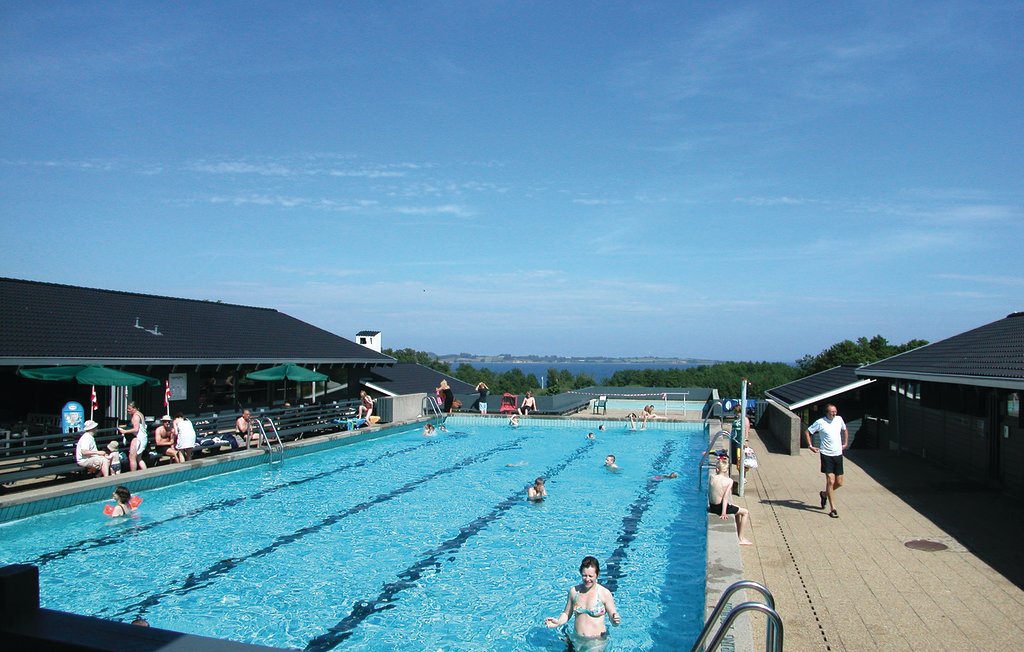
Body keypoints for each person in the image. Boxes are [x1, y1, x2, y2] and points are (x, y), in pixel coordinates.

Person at [545, 556, 621, 647]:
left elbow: (613, 620)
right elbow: (566, 614)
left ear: (598, 574)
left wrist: (615, 621)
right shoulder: (574, 592)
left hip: (596, 642)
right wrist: (558, 622)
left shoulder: (604, 594)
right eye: (584, 575)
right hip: (576, 639)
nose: (587, 579)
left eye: (590, 576)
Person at [805, 403, 849, 518]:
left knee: (839, 482)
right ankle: (833, 509)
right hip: (826, 454)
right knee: (830, 480)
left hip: (838, 454)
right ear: (827, 413)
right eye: (832, 412)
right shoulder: (820, 422)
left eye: (835, 411)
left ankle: (824, 494)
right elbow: (808, 432)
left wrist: (845, 443)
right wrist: (810, 445)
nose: (834, 414)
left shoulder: (839, 419)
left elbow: (845, 430)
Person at [708, 458, 753, 545]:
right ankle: (741, 538)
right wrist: (723, 513)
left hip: (713, 506)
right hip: (720, 508)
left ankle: (738, 534)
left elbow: (710, 492)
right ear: (726, 471)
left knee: (736, 511)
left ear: (717, 469)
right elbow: (725, 498)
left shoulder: (712, 477)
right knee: (745, 512)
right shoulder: (729, 481)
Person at [118, 402, 148, 472]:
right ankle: (146, 473)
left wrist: (125, 431)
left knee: (132, 457)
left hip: (138, 439)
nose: (128, 410)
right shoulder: (140, 414)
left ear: (134, 408)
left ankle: (133, 475)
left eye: (129, 409)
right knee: (139, 458)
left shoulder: (135, 416)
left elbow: (136, 429)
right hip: (143, 438)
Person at [730, 405, 751, 474]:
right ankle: (741, 475)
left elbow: (747, 430)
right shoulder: (736, 419)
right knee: (736, 461)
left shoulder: (744, 419)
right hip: (734, 441)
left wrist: (746, 440)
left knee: (741, 460)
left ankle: (743, 476)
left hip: (740, 442)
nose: (735, 413)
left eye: (735, 412)